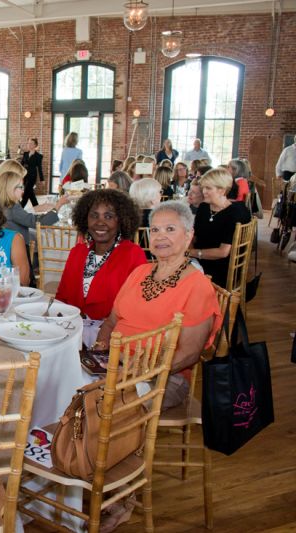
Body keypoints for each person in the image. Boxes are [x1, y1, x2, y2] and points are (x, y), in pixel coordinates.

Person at [91, 201, 221, 531]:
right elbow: (112, 319)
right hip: (115, 365)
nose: (160, 236)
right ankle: (87, 474)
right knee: (73, 390)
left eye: (170, 229)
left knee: (118, 406)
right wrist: (101, 345)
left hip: (167, 377)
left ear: (189, 236)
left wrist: (143, 373)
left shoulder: (197, 285)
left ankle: (122, 498)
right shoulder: (140, 273)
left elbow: (189, 353)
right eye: (156, 229)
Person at [55, 189, 146, 322]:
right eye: (94, 216)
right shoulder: (78, 252)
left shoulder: (132, 254)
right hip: (71, 328)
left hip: (113, 334)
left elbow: (137, 304)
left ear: (121, 221)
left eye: (108, 216)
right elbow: (61, 297)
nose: (100, 222)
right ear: (85, 219)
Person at [191, 168, 251, 288]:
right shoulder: (203, 207)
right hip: (199, 260)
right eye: (203, 187)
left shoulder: (235, 212)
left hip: (221, 267)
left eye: (208, 188)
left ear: (222, 190)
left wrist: (190, 253)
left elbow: (223, 252)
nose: (204, 192)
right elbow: (194, 237)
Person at [0, 165, 65, 246]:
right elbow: (37, 223)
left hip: (6, 244)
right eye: (21, 187)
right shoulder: (12, 207)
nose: (23, 190)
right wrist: (58, 206)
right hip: (18, 247)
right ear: (11, 188)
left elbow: (25, 217)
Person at [19, 137, 44, 207]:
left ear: (35, 145)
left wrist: (42, 179)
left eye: (31, 144)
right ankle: (37, 208)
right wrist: (19, 174)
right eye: (28, 143)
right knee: (31, 194)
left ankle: (20, 208)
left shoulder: (38, 156)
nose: (29, 145)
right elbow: (21, 165)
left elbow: (40, 168)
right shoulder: (25, 154)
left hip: (32, 177)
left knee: (25, 194)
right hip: (25, 176)